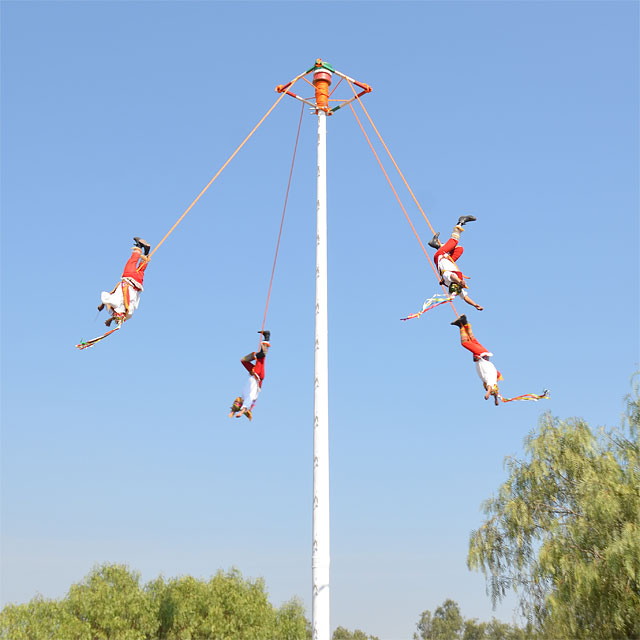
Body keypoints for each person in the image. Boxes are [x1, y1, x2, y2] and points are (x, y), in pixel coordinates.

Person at [428, 215, 483, 311]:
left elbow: (453, 277)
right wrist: (475, 305)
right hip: (447, 259)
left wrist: (460, 282)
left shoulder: (448, 278)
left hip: (441, 255)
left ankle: (460, 222)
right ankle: (436, 245)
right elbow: (465, 298)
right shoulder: (457, 289)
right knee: (459, 250)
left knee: (454, 242)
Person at [98, 237, 151, 327]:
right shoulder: (114, 305)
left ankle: (146, 253)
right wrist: (102, 305)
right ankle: (139, 245)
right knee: (132, 262)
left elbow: (119, 317)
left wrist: (110, 320)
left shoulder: (129, 313)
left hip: (137, 284)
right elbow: (105, 297)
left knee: (141, 269)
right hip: (129, 278)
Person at [451, 314, 501, 405]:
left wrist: (496, 400)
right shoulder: (489, 380)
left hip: (482, 354)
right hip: (481, 354)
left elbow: (495, 391)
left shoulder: (492, 378)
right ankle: (461, 325)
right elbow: (490, 387)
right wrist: (487, 394)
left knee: (472, 340)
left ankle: (464, 323)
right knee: (465, 343)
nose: (485, 388)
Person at [229, 330, 271, 421]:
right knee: (262, 356)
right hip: (257, 375)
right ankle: (266, 339)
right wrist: (241, 412)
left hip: (253, 373)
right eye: (236, 401)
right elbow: (247, 405)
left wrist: (233, 411)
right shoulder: (249, 397)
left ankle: (264, 342)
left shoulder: (243, 394)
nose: (236, 399)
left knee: (243, 360)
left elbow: (240, 405)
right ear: (241, 404)